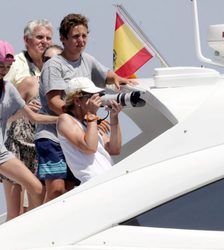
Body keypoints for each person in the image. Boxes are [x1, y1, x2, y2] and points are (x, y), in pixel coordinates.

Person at [35, 13, 134, 202]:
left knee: (70, 189)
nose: (81, 40)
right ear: (63, 39)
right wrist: (88, 118)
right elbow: (54, 102)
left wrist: (118, 79)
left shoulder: (87, 59)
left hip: (79, 130)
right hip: (52, 135)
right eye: (75, 36)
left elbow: (106, 75)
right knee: (56, 190)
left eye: (84, 35)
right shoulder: (54, 65)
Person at [0, 19, 54, 219]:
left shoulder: (10, 88)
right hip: (15, 142)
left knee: (37, 194)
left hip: (24, 147)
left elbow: (34, 114)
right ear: (27, 40)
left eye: (48, 38)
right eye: (40, 37)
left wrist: (63, 119)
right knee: (16, 209)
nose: (44, 42)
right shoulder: (18, 68)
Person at [57, 77, 122, 183]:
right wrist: (92, 114)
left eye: (97, 96)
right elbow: (90, 147)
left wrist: (114, 117)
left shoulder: (90, 122)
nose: (96, 99)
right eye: (91, 96)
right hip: (92, 182)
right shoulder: (65, 119)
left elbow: (114, 149)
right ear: (77, 100)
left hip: (109, 177)